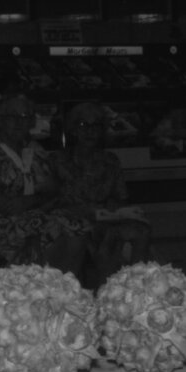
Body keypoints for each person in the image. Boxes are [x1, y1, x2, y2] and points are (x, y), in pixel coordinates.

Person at [0, 93, 87, 285]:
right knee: (52, 233)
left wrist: (32, 201)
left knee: (77, 228)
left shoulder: (34, 149)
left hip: (34, 214)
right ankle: (38, 294)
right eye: (13, 117)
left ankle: (64, 293)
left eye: (26, 117)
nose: (20, 122)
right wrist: (39, 199)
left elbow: (54, 189)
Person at [49, 101, 150, 289]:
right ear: (72, 130)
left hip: (104, 217)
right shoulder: (57, 160)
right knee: (98, 239)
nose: (90, 131)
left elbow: (121, 198)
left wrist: (115, 209)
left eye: (95, 126)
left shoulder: (110, 160)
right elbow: (52, 200)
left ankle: (135, 289)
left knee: (139, 229)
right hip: (70, 220)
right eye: (83, 125)